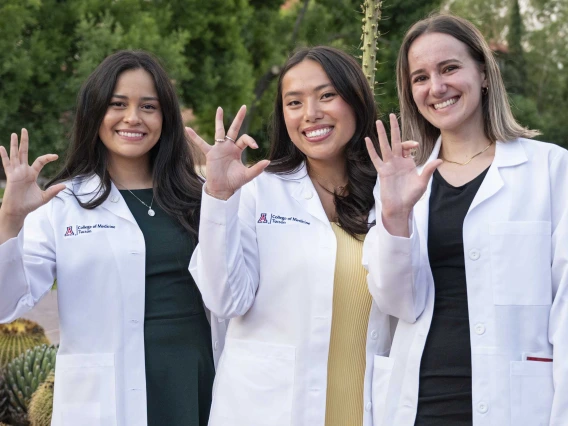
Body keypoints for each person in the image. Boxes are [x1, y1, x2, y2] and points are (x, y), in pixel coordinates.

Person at [187, 46, 417, 426]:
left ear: (356, 102)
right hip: (265, 412)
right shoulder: (258, 190)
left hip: (363, 411)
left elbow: (406, 303)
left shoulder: (391, 193)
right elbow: (224, 300)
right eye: (294, 102)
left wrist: (396, 213)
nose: (310, 114)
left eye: (327, 95)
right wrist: (219, 199)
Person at [363, 13, 568, 426]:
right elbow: (395, 302)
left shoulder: (550, 170)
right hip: (420, 404)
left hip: (518, 405)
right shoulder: (401, 182)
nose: (436, 87)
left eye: (450, 68)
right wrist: (395, 216)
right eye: (420, 77)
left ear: (483, 73)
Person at [0, 50, 221, 426]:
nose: (133, 118)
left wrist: (224, 199)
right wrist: (10, 222)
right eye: (117, 104)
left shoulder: (202, 196)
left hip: (191, 379)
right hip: (103, 392)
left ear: (165, 117)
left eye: (148, 106)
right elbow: (8, 303)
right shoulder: (63, 202)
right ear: (94, 113)